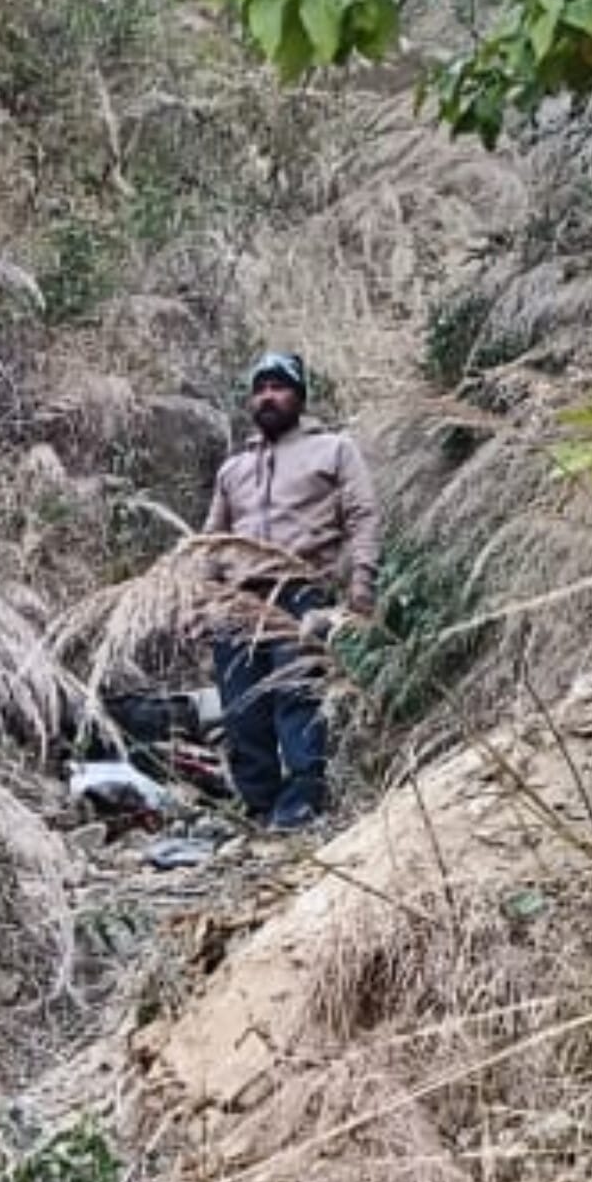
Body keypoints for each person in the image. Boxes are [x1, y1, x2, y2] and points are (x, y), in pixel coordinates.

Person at [201, 350, 381, 830]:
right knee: (241, 705)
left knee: (297, 696)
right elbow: (211, 541)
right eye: (260, 388)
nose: (268, 396)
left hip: (301, 590)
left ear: (299, 395)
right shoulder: (233, 469)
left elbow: (362, 516)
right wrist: (199, 601)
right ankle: (260, 801)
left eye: (279, 387)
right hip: (237, 601)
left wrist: (362, 578)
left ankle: (302, 799)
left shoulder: (334, 450)